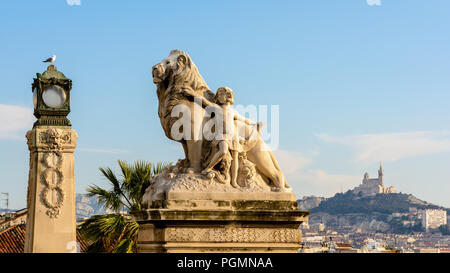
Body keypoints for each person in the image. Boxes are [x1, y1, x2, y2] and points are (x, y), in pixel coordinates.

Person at [183, 86, 260, 188]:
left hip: (232, 137)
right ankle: (208, 168)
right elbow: (204, 101)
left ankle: (233, 181)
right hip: (221, 136)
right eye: (218, 95)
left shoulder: (233, 112)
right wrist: (192, 93)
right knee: (223, 151)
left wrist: (255, 123)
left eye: (220, 94)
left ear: (228, 96)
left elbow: (244, 120)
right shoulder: (216, 108)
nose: (218, 96)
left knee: (235, 158)